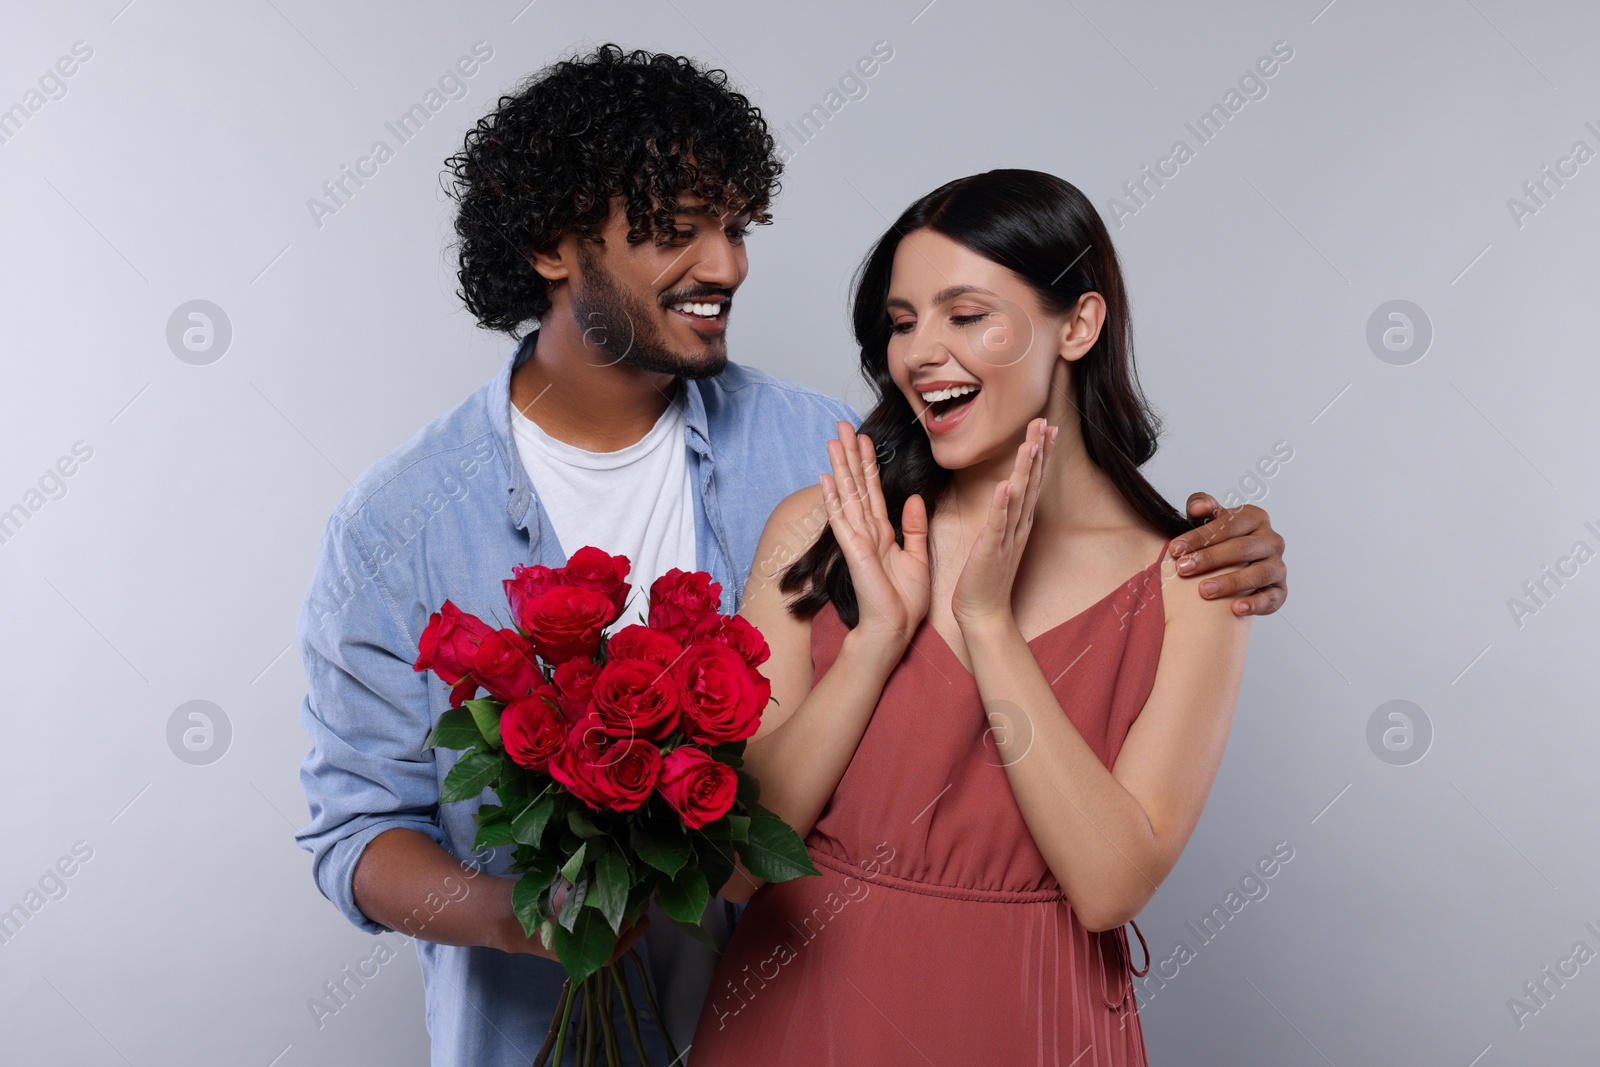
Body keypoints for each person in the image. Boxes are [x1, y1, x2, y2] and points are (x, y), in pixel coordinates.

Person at [292, 46, 1288, 1067]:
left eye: (736, 227)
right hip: (552, 1028)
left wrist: (1211, 547)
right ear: (555, 245)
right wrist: (524, 915)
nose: (727, 266)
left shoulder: (833, 454)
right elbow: (356, 830)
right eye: (680, 231)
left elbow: (1011, 508)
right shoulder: (401, 521)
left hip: (812, 999)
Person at [692, 169, 1258, 1065]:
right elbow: (733, 865)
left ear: (1078, 324)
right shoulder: (820, 529)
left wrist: (987, 623)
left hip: (1032, 1019)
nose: (919, 353)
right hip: (801, 1016)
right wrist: (875, 642)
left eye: (966, 315)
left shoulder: (1193, 581)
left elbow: (1110, 884)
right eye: (904, 320)